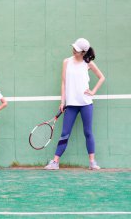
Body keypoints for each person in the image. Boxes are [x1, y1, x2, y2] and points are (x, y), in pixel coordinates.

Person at [45, 38, 105, 170]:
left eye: (77, 50)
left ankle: (92, 162)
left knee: (88, 132)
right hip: (71, 104)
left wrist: (93, 91)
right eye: (74, 48)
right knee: (65, 133)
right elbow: (63, 82)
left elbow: (102, 77)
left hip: (86, 104)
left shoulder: (88, 63)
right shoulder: (66, 62)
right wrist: (62, 101)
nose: (73, 50)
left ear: (83, 52)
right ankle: (55, 162)